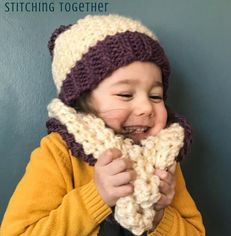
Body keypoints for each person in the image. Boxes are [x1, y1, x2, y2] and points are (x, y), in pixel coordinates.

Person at [0, 15, 205, 236]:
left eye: (156, 96)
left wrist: (159, 217)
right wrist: (97, 197)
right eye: (125, 94)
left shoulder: (163, 157)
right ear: (82, 100)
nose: (146, 107)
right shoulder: (59, 154)